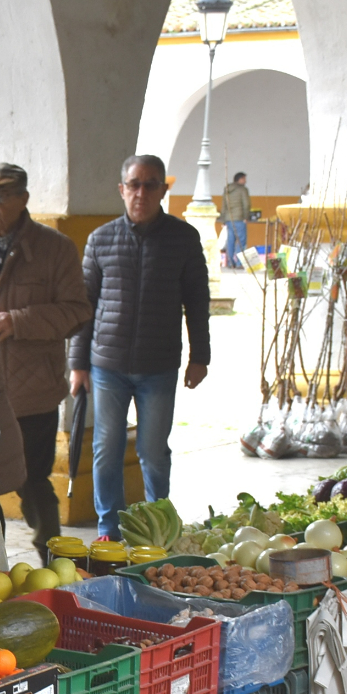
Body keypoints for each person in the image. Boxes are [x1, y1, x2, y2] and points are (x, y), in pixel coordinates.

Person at [69, 154, 211, 541]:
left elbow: (197, 301)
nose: (142, 192)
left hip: (159, 365)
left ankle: (156, 526)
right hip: (106, 365)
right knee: (106, 450)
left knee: (152, 451)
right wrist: (77, 364)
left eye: (151, 184)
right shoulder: (100, 239)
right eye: (134, 184)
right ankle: (108, 531)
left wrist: (201, 357)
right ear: (122, 189)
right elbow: (85, 306)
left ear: (165, 189)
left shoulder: (183, 239)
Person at [0, 163, 92, 564]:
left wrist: (17, 322)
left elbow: (77, 311)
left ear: (23, 199)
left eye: (0, 197)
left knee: (34, 482)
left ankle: (55, 561)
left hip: (33, 392)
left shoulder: (55, 248)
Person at [221, 172, 251, 269]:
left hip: (229, 220)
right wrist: (246, 217)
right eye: (244, 179)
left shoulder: (227, 190)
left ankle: (230, 263)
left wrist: (223, 220)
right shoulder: (243, 190)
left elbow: (223, 206)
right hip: (239, 218)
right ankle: (239, 263)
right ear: (240, 179)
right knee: (241, 241)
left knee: (230, 241)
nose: (245, 181)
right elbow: (246, 204)